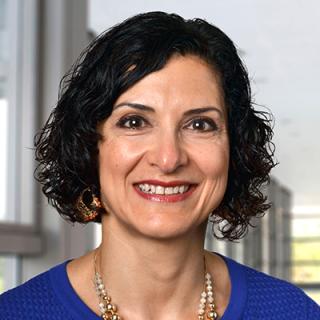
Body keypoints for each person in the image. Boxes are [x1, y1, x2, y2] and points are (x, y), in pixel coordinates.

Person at [0, 11, 319, 320]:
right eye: (134, 121)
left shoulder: (293, 312)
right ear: (88, 145)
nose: (168, 158)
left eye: (199, 125)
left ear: (233, 149)